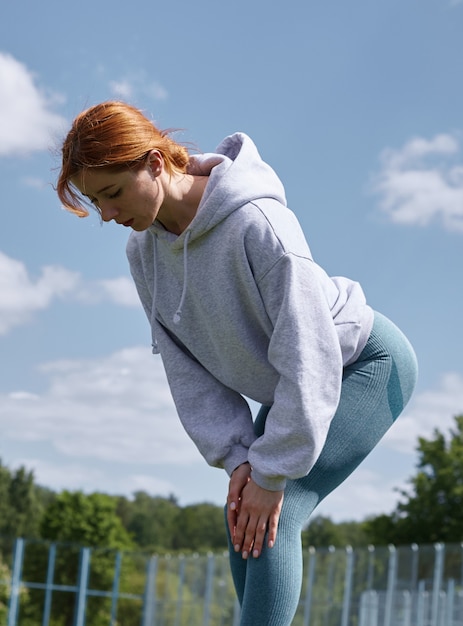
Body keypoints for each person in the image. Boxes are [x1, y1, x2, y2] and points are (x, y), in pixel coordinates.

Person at [57, 101, 418, 625]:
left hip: (359, 363)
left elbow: (308, 349)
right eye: (96, 202)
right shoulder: (143, 254)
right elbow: (185, 369)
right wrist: (238, 457)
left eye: (112, 193)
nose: (109, 215)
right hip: (290, 387)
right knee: (242, 513)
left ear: (156, 162)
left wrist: (271, 474)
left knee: (278, 508)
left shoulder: (257, 222)